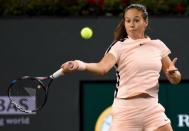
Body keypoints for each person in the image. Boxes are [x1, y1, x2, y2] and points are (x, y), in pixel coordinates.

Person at [61, 3, 181, 131]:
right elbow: (102, 68)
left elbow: (176, 79)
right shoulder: (119, 46)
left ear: (145, 22)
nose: (131, 24)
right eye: (127, 20)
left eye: (136, 20)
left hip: (151, 108)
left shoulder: (158, 45)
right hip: (126, 111)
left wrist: (173, 74)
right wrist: (79, 64)